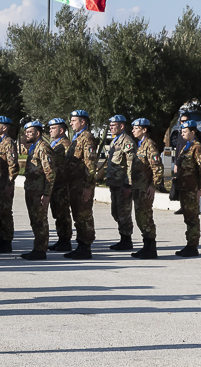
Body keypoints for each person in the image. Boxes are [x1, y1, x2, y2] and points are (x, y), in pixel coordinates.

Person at [62, 110, 99, 260]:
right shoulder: (77, 138)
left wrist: (89, 186)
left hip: (82, 185)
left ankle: (85, 247)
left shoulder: (87, 138)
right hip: (75, 185)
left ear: (82, 122)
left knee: (84, 216)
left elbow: (90, 164)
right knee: (78, 215)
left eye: (73, 120)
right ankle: (80, 246)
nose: (71, 123)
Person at [173, 120, 201, 257]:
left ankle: (192, 246)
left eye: (185, 131)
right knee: (188, 217)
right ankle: (189, 244)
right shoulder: (187, 146)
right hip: (184, 188)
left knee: (192, 218)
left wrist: (200, 189)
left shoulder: (197, 147)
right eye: (181, 131)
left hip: (192, 189)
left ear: (193, 132)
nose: (182, 134)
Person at [20, 121, 56, 260]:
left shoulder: (43, 148)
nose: (26, 134)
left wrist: (47, 194)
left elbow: (50, 173)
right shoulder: (34, 147)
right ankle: (38, 247)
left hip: (39, 191)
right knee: (35, 220)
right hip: (32, 190)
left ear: (37, 133)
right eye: (26, 132)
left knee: (40, 221)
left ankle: (41, 250)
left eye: (29, 132)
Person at [130, 118, 164, 258]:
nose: (133, 130)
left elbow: (157, 168)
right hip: (138, 188)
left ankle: (151, 248)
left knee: (146, 217)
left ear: (144, 129)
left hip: (145, 188)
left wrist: (153, 185)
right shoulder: (140, 145)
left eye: (136, 128)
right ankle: (146, 246)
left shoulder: (149, 145)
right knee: (140, 217)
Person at [105, 115, 137, 250]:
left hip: (123, 184)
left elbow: (131, 165)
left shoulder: (127, 142)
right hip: (114, 183)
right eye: (110, 125)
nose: (111, 128)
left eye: (114, 125)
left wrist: (128, 184)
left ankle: (126, 239)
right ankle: (123, 237)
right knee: (116, 212)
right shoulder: (115, 141)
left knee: (124, 212)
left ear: (121, 126)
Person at [0, 116, 19, 253]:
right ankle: (1, 240)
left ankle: (7, 241)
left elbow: (13, 164)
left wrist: (10, 182)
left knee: (5, 213)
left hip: (4, 185)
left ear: (4, 127)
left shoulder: (8, 142)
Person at [47, 118, 74, 252]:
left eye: (53, 128)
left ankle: (66, 240)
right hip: (56, 185)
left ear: (61, 130)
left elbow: (70, 165)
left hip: (62, 185)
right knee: (57, 213)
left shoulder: (66, 145)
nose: (50, 130)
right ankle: (61, 239)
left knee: (63, 213)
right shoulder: (54, 144)